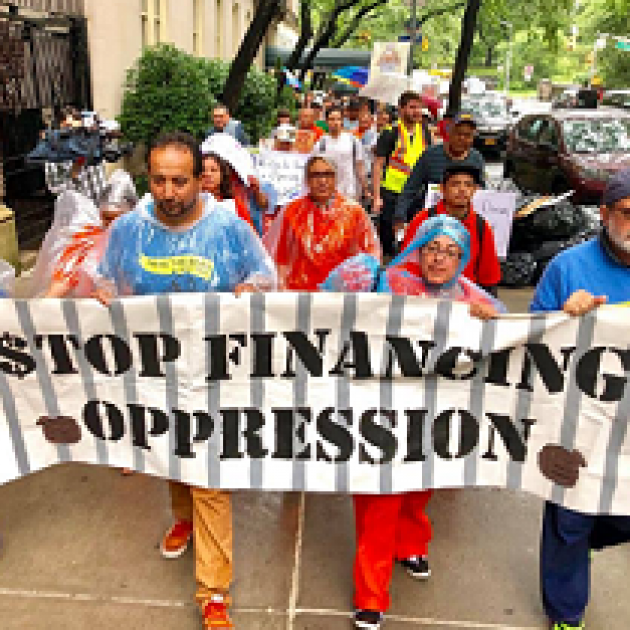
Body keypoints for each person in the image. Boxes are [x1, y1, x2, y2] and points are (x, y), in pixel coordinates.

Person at [94, 131, 277, 629]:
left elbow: (266, 275)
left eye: (180, 180)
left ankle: (213, 591)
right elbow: (103, 277)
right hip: (156, 371)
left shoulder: (230, 228)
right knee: (172, 455)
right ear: (146, 179)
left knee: (210, 476)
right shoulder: (129, 229)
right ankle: (182, 518)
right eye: (159, 180)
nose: (169, 192)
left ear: (201, 178)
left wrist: (250, 288)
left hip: (216, 373)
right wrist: (103, 295)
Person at [321, 215, 504, 630]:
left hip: (433, 421)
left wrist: (485, 319)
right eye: (432, 248)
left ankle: (412, 544)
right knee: (379, 503)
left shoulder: (472, 299)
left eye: (451, 252)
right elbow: (323, 306)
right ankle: (371, 595)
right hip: (380, 416)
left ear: (463, 258)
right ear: (418, 248)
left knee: (419, 490)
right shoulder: (384, 282)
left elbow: (510, 333)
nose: (440, 259)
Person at [530, 169, 630, 630]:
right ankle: (566, 614)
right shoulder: (567, 267)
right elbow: (531, 338)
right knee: (568, 520)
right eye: (629, 214)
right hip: (577, 420)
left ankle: (597, 532)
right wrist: (562, 316)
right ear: (606, 214)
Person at [264, 155, 380, 291]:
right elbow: (281, 257)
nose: (322, 181)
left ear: (336, 178)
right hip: (300, 293)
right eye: (316, 175)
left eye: (328, 174)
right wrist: (282, 289)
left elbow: (369, 257)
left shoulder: (354, 212)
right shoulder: (292, 211)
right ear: (307, 180)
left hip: (340, 294)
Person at [400, 165, 501, 295]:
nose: (462, 190)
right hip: (423, 297)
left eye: (468, 185)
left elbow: (489, 277)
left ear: (475, 190)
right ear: (442, 188)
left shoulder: (481, 226)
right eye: (455, 184)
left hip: (464, 301)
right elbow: (406, 266)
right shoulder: (422, 221)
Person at [44, 171, 138, 299]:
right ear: (100, 214)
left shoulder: (144, 241)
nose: (112, 225)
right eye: (107, 218)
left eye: (118, 219)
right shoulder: (86, 241)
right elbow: (63, 280)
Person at [395, 112, 485, 226]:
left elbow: (481, 191)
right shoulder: (429, 155)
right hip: (432, 222)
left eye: (467, 135)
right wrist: (399, 217)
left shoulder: (477, 159)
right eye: (458, 133)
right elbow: (410, 188)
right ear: (449, 133)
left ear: (473, 138)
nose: (462, 138)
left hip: (463, 222)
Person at [372, 91, 432, 256]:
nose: (417, 111)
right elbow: (378, 165)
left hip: (416, 194)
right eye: (412, 107)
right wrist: (377, 196)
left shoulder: (425, 132)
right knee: (388, 238)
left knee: (413, 236)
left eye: (419, 108)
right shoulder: (390, 132)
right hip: (392, 193)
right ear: (401, 109)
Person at [44, 106, 108, 205]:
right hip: (80, 211)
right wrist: (75, 173)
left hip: (102, 204)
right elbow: (54, 188)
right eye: (68, 126)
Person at [313, 106, 369, 203]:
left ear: (342, 121)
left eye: (338, 119)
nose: (335, 122)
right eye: (332, 119)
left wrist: (365, 189)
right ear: (326, 121)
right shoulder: (321, 143)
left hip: (350, 192)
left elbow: (359, 166)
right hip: (328, 194)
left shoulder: (352, 140)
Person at [201, 152, 257, 230]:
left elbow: (249, 235)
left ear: (222, 174)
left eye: (213, 170)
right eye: (203, 170)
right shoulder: (190, 205)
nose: (208, 174)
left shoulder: (235, 205)